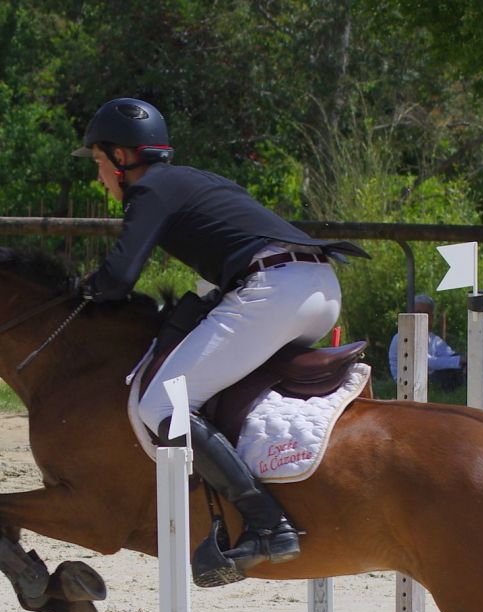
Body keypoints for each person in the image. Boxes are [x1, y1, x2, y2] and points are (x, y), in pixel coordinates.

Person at [73, 97, 368, 586]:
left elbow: (118, 278)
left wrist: (81, 289)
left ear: (122, 159)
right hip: (317, 287)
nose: (99, 176)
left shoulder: (148, 190)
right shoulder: (194, 180)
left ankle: (265, 521)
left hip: (275, 290)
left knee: (163, 406)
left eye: (100, 163)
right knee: (208, 387)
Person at [388, 294, 465, 391]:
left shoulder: (431, 338)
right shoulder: (404, 336)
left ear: (431, 317)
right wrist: (459, 360)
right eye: (418, 312)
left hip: (425, 378)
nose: (421, 316)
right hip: (408, 382)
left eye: (426, 314)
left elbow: (449, 354)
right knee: (450, 370)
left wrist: (465, 360)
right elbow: (426, 362)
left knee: (459, 365)